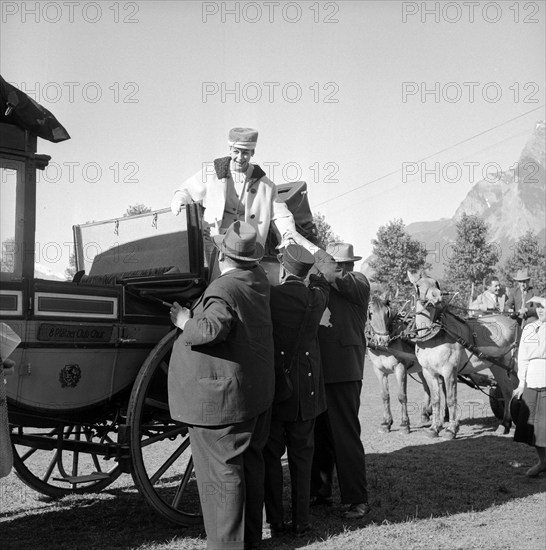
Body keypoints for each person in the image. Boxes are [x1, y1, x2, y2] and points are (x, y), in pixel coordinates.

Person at [167, 221, 274, 550]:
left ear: (220, 255)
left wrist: (184, 321)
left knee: (221, 476)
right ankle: (249, 542)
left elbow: (210, 331)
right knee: (249, 468)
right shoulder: (257, 280)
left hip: (221, 404)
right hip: (252, 395)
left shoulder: (223, 289)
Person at [263, 244, 329, 538]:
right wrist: (311, 271)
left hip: (277, 391)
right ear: (304, 272)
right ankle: (301, 521)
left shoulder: (270, 297)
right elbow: (321, 280)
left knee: (271, 458)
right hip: (307, 393)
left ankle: (275, 521)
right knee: (303, 460)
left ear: (283, 269)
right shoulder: (316, 299)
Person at [310, 242, 371, 519]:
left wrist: (312, 251)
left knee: (345, 435)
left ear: (342, 265)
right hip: (320, 369)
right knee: (319, 434)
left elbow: (337, 278)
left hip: (344, 371)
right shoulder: (325, 281)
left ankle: (357, 499)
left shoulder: (357, 282)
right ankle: (320, 492)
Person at [170, 127, 305, 251]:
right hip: (215, 239)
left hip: (248, 245)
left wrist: (289, 235)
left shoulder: (266, 185)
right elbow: (186, 190)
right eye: (236, 152)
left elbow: (281, 215)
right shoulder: (212, 172)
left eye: (245, 153)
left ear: (253, 152)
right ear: (230, 150)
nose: (240, 158)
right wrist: (179, 200)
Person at [512, 296, 546, 477]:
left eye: (544, 307)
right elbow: (523, 357)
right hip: (532, 380)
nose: (540, 310)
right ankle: (542, 462)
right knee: (534, 427)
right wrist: (521, 383)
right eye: (538, 307)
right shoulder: (530, 328)